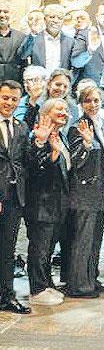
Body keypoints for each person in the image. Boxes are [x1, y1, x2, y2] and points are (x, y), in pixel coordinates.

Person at [25, 98, 71, 306]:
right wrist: (50, 151)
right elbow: (34, 169)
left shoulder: (61, 136)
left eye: (66, 109)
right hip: (41, 203)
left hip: (58, 204)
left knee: (48, 249)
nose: (64, 112)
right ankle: (37, 289)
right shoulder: (37, 136)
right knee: (39, 249)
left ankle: (46, 283)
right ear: (45, 113)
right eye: (59, 109)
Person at [65, 85, 104, 298]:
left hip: (99, 191)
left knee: (94, 239)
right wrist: (86, 144)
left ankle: (91, 278)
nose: (92, 105)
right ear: (81, 103)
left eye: (96, 100)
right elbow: (74, 162)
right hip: (84, 193)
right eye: (88, 101)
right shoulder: (78, 127)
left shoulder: (100, 124)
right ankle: (79, 286)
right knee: (83, 239)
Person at [0, 80, 30, 313]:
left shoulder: (21, 127)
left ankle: (6, 296)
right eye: (5, 98)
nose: (9, 103)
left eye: (14, 99)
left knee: (7, 250)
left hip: (14, 197)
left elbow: (24, 161)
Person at [0, 0, 28, 83]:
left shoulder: (21, 37)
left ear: (11, 14)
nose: (2, 15)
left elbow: (24, 63)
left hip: (14, 83)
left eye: (6, 12)